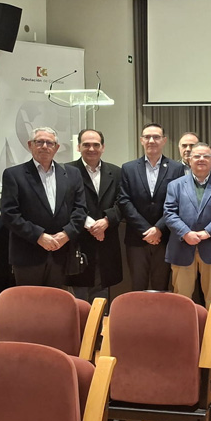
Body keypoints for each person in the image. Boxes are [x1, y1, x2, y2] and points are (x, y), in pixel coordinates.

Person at [1, 127, 87, 287]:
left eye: (49, 143)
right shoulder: (14, 175)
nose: (45, 146)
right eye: (39, 142)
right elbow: (9, 214)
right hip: (28, 254)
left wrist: (66, 234)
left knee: (57, 300)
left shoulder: (72, 174)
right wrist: (39, 236)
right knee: (30, 301)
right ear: (30, 145)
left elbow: (80, 209)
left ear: (57, 147)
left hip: (61, 253)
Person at [164, 142, 211, 310]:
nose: (201, 159)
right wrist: (186, 233)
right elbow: (169, 213)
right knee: (181, 299)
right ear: (189, 160)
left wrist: (207, 232)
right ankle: (182, 328)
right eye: (197, 156)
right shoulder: (175, 185)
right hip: (182, 247)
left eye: (206, 156)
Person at [118, 123, 185, 291]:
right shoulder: (128, 168)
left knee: (161, 287)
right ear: (141, 140)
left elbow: (178, 202)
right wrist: (146, 230)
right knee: (137, 287)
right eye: (147, 137)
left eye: (156, 137)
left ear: (164, 140)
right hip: (136, 238)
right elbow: (124, 201)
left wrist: (159, 229)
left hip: (165, 238)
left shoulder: (176, 168)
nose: (151, 140)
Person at [68, 129, 123, 301]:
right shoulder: (66, 171)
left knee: (101, 294)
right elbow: (65, 203)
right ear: (78, 147)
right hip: (79, 240)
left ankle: (98, 320)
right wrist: (91, 225)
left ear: (103, 147)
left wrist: (107, 220)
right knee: (78, 296)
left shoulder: (116, 172)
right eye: (86, 145)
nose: (91, 149)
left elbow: (122, 202)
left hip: (106, 240)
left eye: (96, 145)